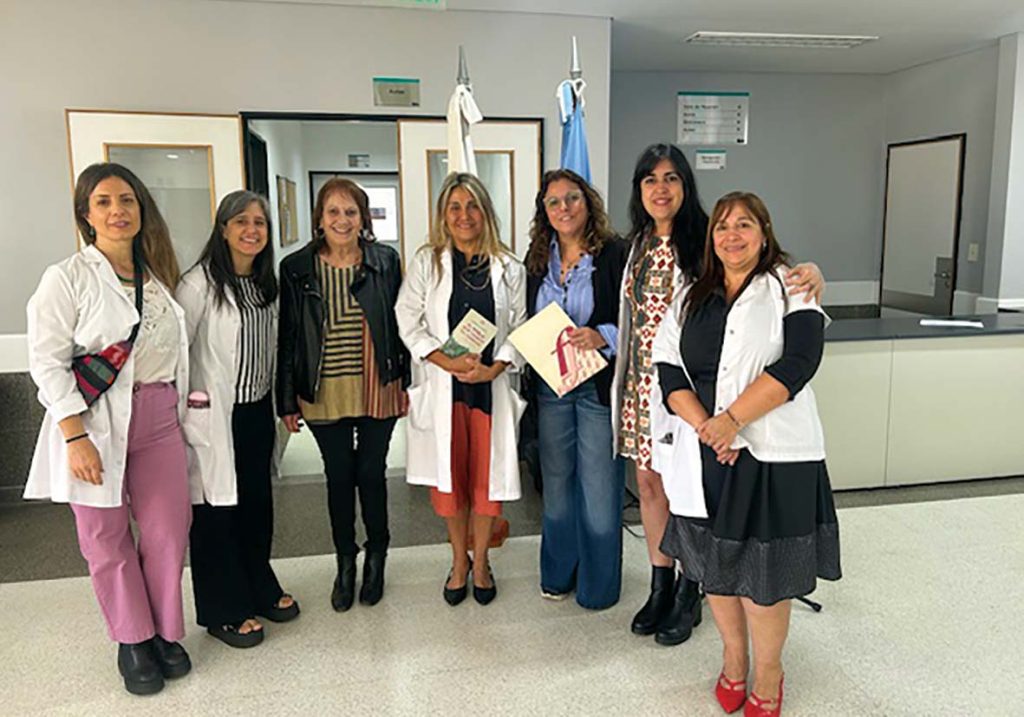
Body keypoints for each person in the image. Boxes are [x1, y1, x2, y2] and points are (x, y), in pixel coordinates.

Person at [612, 144, 825, 646]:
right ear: (638, 190)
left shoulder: (702, 240)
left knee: (695, 493)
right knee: (650, 486)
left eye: (671, 178)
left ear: (686, 187)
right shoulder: (634, 245)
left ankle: (692, 588)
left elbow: (777, 295)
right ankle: (661, 584)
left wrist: (813, 270)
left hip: (713, 398)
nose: (660, 189)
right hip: (653, 386)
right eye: (649, 179)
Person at [653, 192, 842, 716]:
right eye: (721, 227)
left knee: (763, 580)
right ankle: (734, 660)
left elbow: (801, 361)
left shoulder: (791, 285)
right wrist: (710, 429)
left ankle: (770, 671)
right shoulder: (691, 293)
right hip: (707, 450)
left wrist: (733, 421)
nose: (731, 236)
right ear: (711, 238)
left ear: (764, 232)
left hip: (772, 455)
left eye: (743, 225)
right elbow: (668, 365)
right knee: (717, 569)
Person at [24, 163, 192, 695]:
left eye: (127, 200)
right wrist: (73, 435)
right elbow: (47, 361)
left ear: (142, 211)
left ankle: (165, 630)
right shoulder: (67, 277)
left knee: (168, 529)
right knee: (105, 536)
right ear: (85, 214)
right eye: (104, 202)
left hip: (159, 415)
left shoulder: (159, 276)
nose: (118, 211)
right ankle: (133, 639)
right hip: (93, 422)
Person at [395, 172, 527, 606]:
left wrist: (498, 366)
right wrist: (443, 360)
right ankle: (458, 562)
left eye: (472, 206)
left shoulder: (509, 267)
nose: (464, 215)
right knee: (451, 484)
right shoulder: (427, 262)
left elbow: (522, 326)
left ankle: (483, 562)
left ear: (485, 212)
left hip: (489, 390)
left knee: (487, 485)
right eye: (454, 207)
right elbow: (406, 319)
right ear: (443, 216)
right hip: (445, 389)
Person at [277, 178, 408, 612]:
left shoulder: (385, 261)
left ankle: (377, 556)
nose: (342, 220)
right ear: (319, 218)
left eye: (351, 212)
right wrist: (286, 400)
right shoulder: (296, 267)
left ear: (363, 218)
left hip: (377, 386)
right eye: (333, 212)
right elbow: (289, 336)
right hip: (322, 390)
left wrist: (405, 381)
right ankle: (345, 560)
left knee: (371, 473)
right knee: (338, 477)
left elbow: (400, 326)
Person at [176, 190, 299, 648]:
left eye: (261, 223)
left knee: (255, 508)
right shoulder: (198, 285)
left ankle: (258, 586)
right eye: (242, 222)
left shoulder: (266, 285)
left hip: (254, 413)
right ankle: (223, 610)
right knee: (214, 516)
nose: (252, 231)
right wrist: (180, 415)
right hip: (212, 419)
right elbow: (177, 355)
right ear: (223, 228)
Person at [523, 168, 628, 609]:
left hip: (597, 387)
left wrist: (602, 334)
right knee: (558, 486)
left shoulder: (616, 254)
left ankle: (599, 586)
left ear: (588, 204)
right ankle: (559, 573)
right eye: (554, 202)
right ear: (544, 212)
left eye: (572, 199)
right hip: (551, 389)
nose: (563, 208)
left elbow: (642, 317)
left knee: (601, 490)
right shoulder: (534, 260)